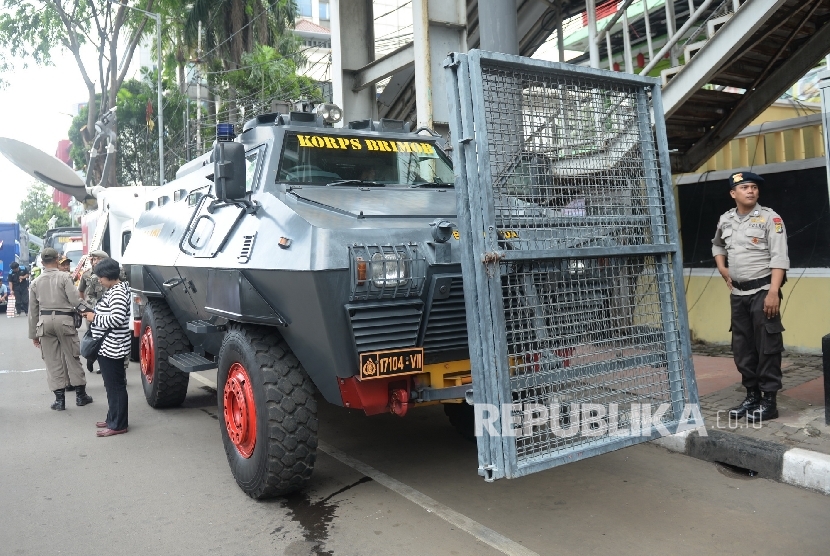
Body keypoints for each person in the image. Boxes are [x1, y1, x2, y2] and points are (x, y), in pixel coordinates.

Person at [711, 171, 789, 423]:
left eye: (754, 187)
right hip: (738, 293)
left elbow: (779, 258)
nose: (750, 191)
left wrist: (774, 292)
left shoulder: (770, 218)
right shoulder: (726, 219)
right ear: (733, 194)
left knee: (767, 346)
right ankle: (752, 395)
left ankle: (769, 401)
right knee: (742, 348)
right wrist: (723, 269)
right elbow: (717, 245)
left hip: (763, 292)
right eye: (744, 187)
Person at [28, 248, 93, 411]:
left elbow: (33, 311)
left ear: (42, 263)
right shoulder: (65, 277)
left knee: (52, 361)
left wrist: (34, 335)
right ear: (57, 260)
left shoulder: (35, 282)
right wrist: (90, 313)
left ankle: (59, 400)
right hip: (64, 320)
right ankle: (80, 396)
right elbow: (75, 300)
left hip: (45, 323)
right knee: (72, 357)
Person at [83, 257, 131, 437]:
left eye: (101, 277)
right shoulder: (117, 289)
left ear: (109, 276)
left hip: (113, 347)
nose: (99, 281)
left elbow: (117, 319)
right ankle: (113, 417)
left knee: (115, 387)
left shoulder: (117, 293)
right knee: (112, 386)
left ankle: (118, 424)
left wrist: (94, 318)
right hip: (110, 345)